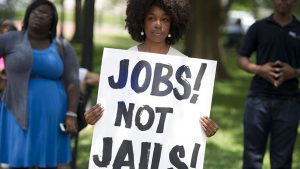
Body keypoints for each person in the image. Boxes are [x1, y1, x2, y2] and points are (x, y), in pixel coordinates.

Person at [84, 0, 219, 138]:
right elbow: (111, 109)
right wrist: (94, 117)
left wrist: (206, 128)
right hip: (128, 148)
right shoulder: (124, 61)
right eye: (151, 18)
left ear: (173, 24)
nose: (158, 25)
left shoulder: (185, 67)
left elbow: (190, 117)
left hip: (166, 152)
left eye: (165, 19)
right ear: (141, 21)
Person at [0, 0, 80, 169]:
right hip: (16, 109)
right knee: (19, 159)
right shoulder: (10, 40)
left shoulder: (61, 46)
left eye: (44, 13)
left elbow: (73, 81)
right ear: (28, 15)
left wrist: (71, 113)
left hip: (52, 114)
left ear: (52, 22)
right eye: (35, 11)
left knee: (47, 162)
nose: (38, 15)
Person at [237, 0, 300, 168]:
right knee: (252, 156)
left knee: (282, 159)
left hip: (290, 100)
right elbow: (242, 59)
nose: (283, 1)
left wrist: (293, 72)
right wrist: (259, 69)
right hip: (258, 98)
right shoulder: (258, 27)